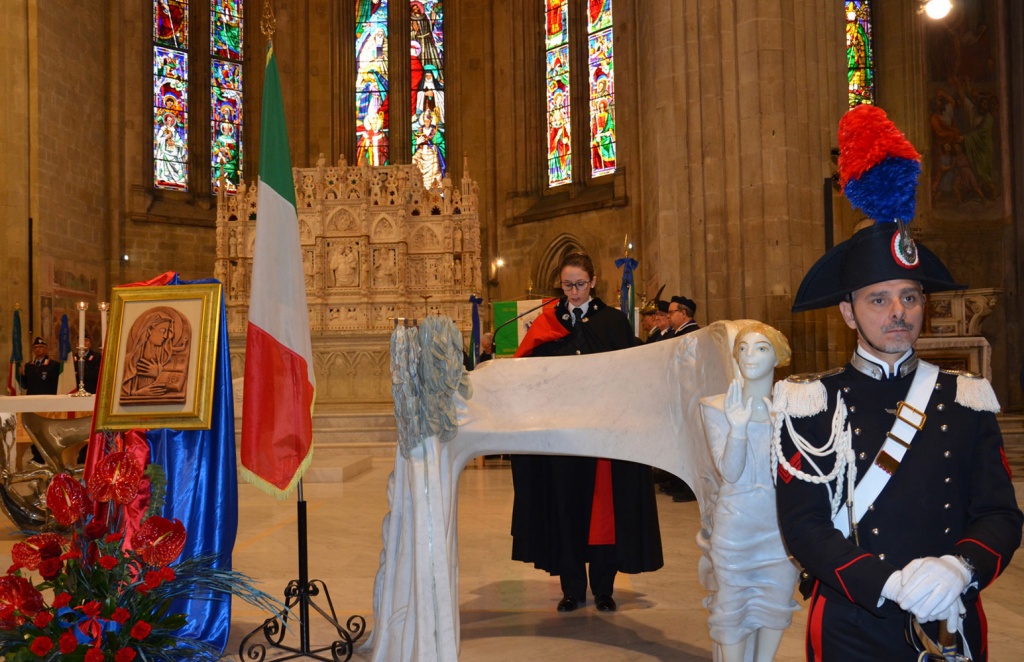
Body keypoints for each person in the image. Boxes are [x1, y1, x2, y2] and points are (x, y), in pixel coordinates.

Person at [773, 221, 1022, 659]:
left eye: (909, 297)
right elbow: (804, 527)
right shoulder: (813, 402)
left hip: (949, 615)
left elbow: (1000, 514)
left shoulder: (964, 397)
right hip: (852, 621)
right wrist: (886, 583)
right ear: (849, 312)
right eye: (879, 299)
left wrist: (959, 569)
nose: (898, 312)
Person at [510, 252, 663, 613]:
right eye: (567, 285)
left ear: (593, 282)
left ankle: (605, 589)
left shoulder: (612, 322)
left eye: (580, 284)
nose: (574, 291)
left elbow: (630, 376)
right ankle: (572, 589)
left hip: (603, 437)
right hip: (562, 438)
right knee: (566, 510)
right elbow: (531, 374)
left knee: (603, 512)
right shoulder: (547, 322)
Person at [701, 322, 798, 662]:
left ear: (778, 358)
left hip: (777, 526)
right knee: (731, 604)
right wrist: (738, 428)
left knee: (776, 600)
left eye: (760, 348)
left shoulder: (792, 410)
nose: (749, 356)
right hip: (736, 525)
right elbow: (730, 472)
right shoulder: (716, 407)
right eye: (742, 348)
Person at [120, 307, 191, 404]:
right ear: (149, 329)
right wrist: (139, 393)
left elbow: (176, 382)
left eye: (167, 332)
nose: (166, 336)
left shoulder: (166, 357)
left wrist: (158, 374)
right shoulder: (130, 360)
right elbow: (124, 394)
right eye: (162, 331)